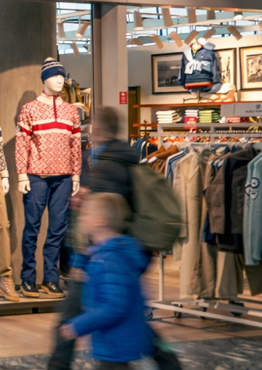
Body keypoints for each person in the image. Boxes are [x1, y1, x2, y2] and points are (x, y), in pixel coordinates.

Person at [48, 106, 180, 370]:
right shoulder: (126, 158)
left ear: (96, 128)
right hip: (128, 254)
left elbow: (101, 219)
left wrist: (82, 261)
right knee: (129, 314)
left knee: (71, 319)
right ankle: (167, 360)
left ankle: (57, 366)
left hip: (105, 258)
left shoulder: (107, 166)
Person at [59, 193, 150, 370]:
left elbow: (113, 306)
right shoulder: (106, 254)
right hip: (114, 342)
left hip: (115, 344)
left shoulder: (110, 259)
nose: (82, 218)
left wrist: (78, 326)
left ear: (99, 221)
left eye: (86, 214)